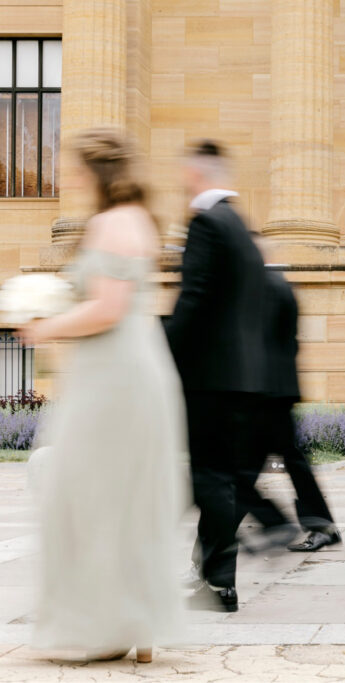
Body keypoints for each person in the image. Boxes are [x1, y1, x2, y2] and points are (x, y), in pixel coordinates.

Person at [25, 128, 185, 663]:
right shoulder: (137, 218)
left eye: (73, 169)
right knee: (113, 496)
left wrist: (45, 327)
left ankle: (94, 625)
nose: (68, 179)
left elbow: (107, 308)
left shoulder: (112, 223)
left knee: (86, 495)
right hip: (121, 369)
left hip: (114, 373)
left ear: (96, 172)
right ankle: (125, 623)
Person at [164, 140, 267, 612]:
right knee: (218, 478)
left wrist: (163, 351)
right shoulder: (242, 227)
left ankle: (220, 572)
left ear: (197, 173)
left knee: (207, 479)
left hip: (208, 376)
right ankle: (217, 580)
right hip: (243, 377)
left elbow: (194, 299)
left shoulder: (206, 223)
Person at [234, 233, 341, 553]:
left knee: (241, 468)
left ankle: (278, 523)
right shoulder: (273, 284)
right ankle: (314, 524)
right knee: (287, 461)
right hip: (275, 391)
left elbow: (254, 345)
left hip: (264, 393)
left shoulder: (263, 287)